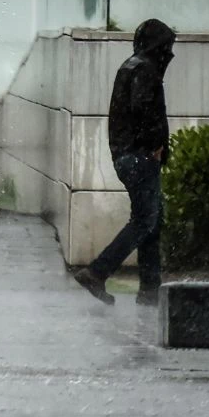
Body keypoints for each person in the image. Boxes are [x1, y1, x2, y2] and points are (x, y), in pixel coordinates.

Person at [72, 19, 176, 306]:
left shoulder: (131, 66)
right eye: (167, 47)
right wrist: (154, 144)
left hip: (128, 154)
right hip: (139, 155)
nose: (169, 54)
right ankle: (98, 271)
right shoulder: (145, 69)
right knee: (145, 221)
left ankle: (150, 290)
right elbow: (142, 109)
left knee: (152, 220)